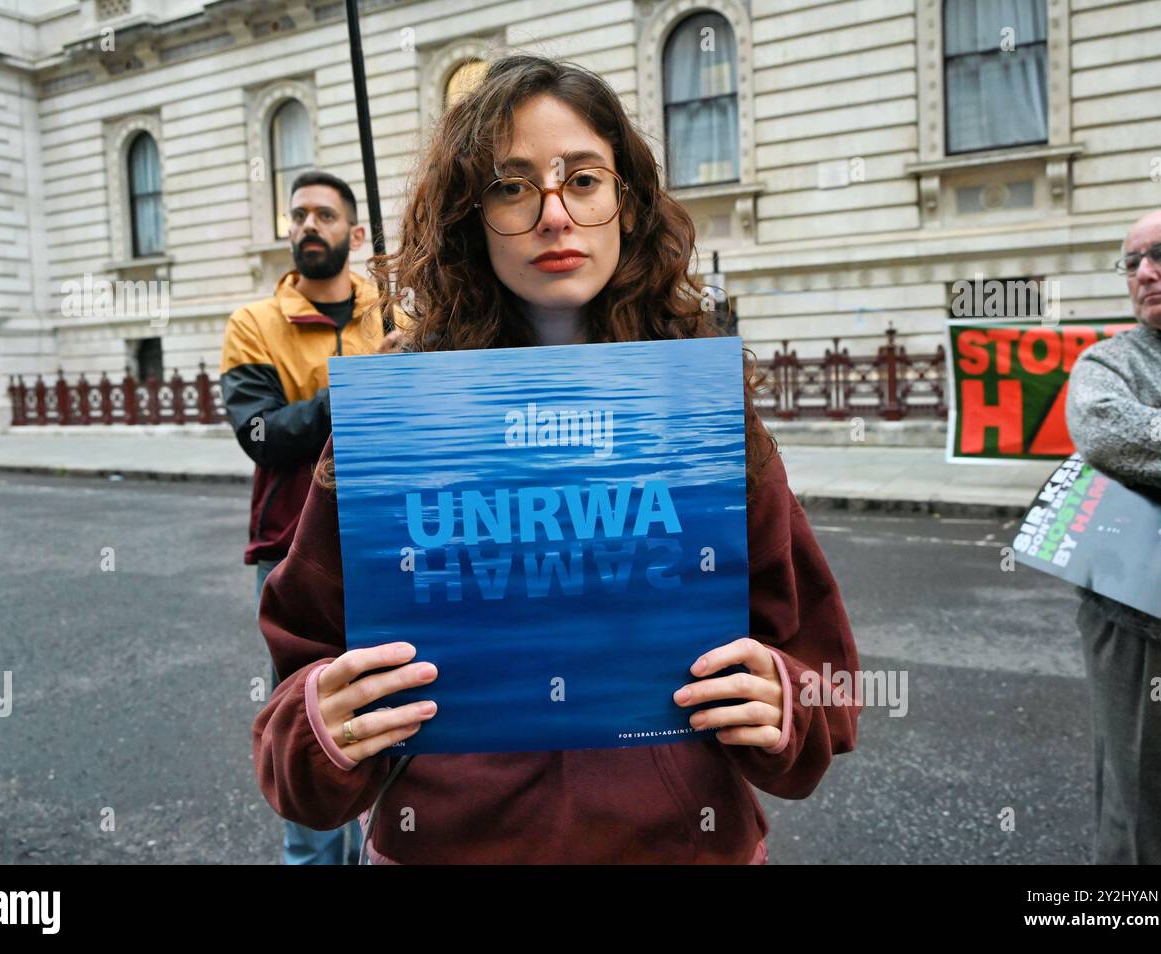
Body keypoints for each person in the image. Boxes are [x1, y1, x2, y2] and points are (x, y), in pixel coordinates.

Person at [251, 55, 860, 864]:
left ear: (626, 203)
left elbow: (825, 684)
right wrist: (321, 723)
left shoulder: (697, 409)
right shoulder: (400, 421)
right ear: (470, 216)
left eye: (582, 180)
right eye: (510, 186)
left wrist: (781, 701)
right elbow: (293, 713)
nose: (553, 216)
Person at [220, 169, 404, 864]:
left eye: (324, 215)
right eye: (297, 215)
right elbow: (262, 435)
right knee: (312, 717)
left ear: (355, 235)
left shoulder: (394, 317)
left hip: (391, 547)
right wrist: (355, 389)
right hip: (293, 550)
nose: (307, 226)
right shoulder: (253, 326)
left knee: (392, 708)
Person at [1065, 206, 1161, 864]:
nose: (1144, 272)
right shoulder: (1109, 361)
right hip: (1145, 629)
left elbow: (1155, 438)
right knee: (1140, 818)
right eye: (1131, 263)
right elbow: (1109, 433)